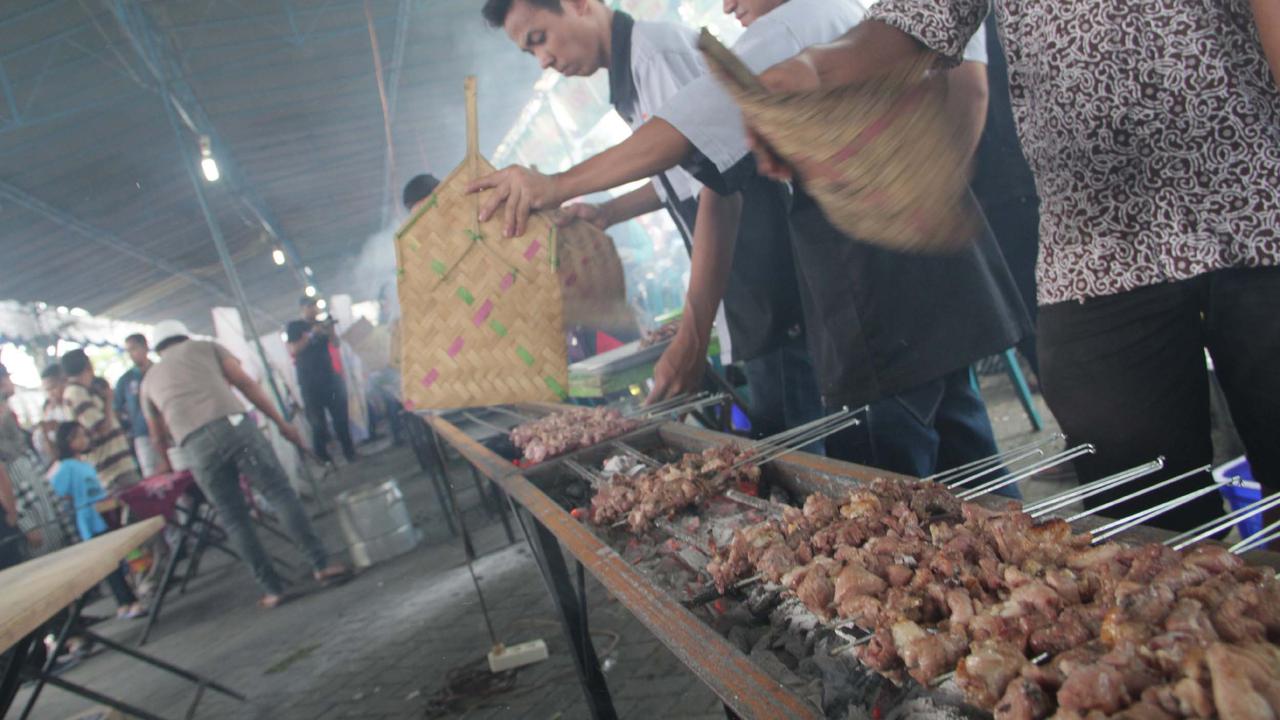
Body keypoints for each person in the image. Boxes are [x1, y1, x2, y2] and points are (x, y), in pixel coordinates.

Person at [742, 0, 1280, 530]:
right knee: (1145, 529)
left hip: (1258, 208)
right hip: (1095, 251)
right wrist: (815, 68)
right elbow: (916, 15)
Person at [469, 0, 1029, 480]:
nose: (726, 5)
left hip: (877, 299)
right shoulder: (837, 12)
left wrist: (555, 183)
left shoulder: (781, 32)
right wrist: (609, 209)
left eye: (539, 39)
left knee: (892, 492)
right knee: (970, 463)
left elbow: (691, 128)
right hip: (925, 281)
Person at [477, 0, 825, 441]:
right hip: (751, 298)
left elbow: (720, 186)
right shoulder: (633, 77)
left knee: (806, 448)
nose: (543, 61)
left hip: (772, 293)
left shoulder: (655, 56)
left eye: (539, 39)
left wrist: (695, 336)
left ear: (578, 5)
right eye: (530, 53)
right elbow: (681, 179)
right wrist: (608, 211)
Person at [140, 320, 350, 608]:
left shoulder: (148, 380)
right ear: (183, 335)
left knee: (232, 517)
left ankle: (273, 589)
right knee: (278, 493)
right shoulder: (206, 347)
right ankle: (321, 564)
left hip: (193, 445)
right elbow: (245, 383)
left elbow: (156, 435)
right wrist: (281, 423)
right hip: (233, 425)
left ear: (157, 348)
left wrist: (165, 462)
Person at [50, 422, 147, 619]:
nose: (84, 439)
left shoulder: (84, 463)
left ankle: (131, 597)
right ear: (69, 441)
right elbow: (56, 490)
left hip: (106, 514)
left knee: (122, 557)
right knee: (109, 563)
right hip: (90, 519)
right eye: (79, 436)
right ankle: (126, 601)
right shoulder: (66, 467)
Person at [0, 364, 74, 553]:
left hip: (33, 485)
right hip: (22, 497)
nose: (10, 382)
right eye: (6, 377)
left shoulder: (8, 411)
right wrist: (23, 522)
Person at [60, 349, 142, 491]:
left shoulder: (83, 391)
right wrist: (109, 400)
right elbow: (102, 428)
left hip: (118, 466)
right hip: (113, 470)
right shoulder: (76, 393)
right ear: (88, 366)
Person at [287, 305, 356, 464]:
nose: (314, 310)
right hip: (310, 383)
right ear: (303, 308)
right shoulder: (295, 326)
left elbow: (336, 344)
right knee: (318, 423)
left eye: (316, 307)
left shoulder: (322, 324)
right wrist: (312, 334)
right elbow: (294, 350)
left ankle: (350, 452)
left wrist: (330, 330)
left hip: (330, 378)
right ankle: (323, 459)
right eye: (311, 307)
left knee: (341, 418)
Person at [114, 333, 163, 478]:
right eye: (128, 351)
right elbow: (116, 408)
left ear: (145, 347)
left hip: (168, 429)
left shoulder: (160, 370)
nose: (131, 354)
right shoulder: (125, 380)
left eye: (134, 349)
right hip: (142, 435)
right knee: (152, 476)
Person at [33, 365, 71, 468]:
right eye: (47, 390)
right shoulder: (50, 412)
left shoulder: (73, 403)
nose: (51, 393)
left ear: (65, 381)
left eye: (53, 387)